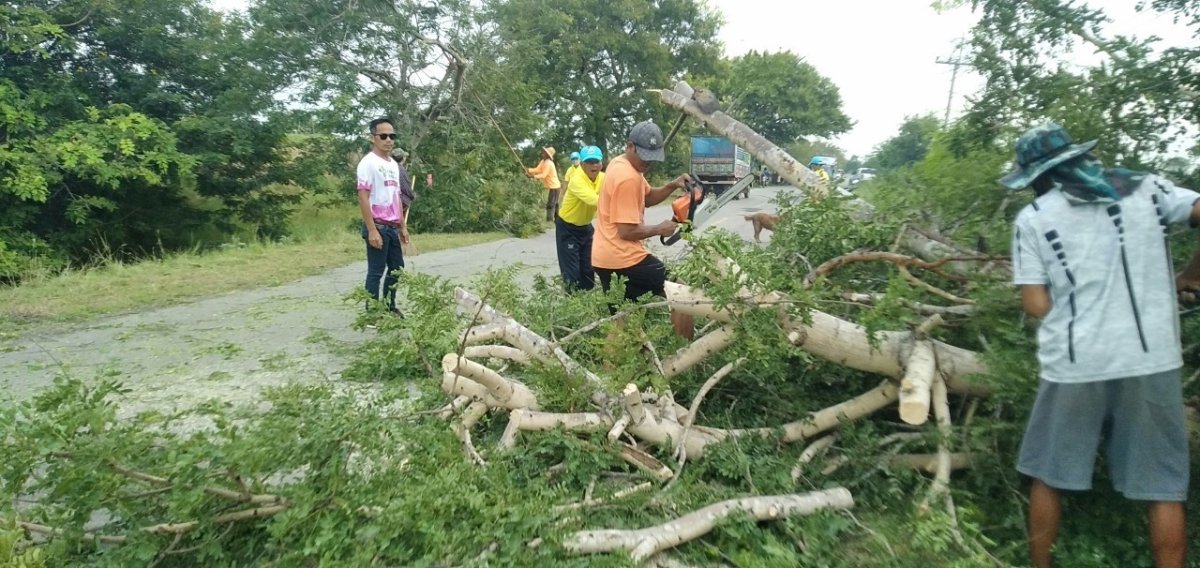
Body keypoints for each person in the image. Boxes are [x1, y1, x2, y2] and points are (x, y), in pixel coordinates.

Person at [1004, 122, 1192, 568]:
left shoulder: (1033, 219)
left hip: (1074, 364)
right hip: (1153, 359)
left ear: (1039, 175)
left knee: (1046, 474)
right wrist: (1194, 275)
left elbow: (1034, 304)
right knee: (1163, 486)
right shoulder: (1146, 188)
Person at [592, 120, 695, 339]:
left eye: (652, 158)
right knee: (683, 294)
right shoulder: (627, 176)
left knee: (622, 322)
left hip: (605, 259)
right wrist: (659, 228)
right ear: (630, 146)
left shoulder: (622, 164)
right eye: (644, 157)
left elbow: (647, 198)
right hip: (625, 259)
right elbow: (626, 232)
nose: (647, 163)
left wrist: (672, 185)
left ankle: (613, 371)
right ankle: (683, 354)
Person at [357, 118, 410, 315]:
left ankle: (389, 307)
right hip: (377, 225)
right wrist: (371, 230)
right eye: (383, 136)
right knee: (376, 270)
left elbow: (396, 195)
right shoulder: (368, 163)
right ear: (373, 138)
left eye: (392, 136)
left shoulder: (393, 165)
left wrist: (402, 225)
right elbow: (363, 196)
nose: (388, 140)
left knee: (397, 268)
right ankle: (372, 313)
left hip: (392, 225)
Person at [555, 145, 604, 291]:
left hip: (586, 228)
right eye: (589, 162)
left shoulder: (604, 178)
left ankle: (588, 308)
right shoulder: (577, 179)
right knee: (572, 275)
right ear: (582, 164)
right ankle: (573, 307)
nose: (593, 165)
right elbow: (595, 201)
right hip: (568, 229)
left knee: (589, 271)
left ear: (601, 163)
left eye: (596, 161)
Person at [527, 146, 562, 222]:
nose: (543, 153)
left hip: (554, 186)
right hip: (552, 186)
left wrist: (532, 176)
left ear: (548, 155)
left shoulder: (549, 163)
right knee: (554, 202)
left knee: (552, 203)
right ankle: (556, 218)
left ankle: (550, 219)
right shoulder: (543, 161)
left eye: (545, 153)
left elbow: (543, 175)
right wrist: (528, 170)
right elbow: (537, 169)